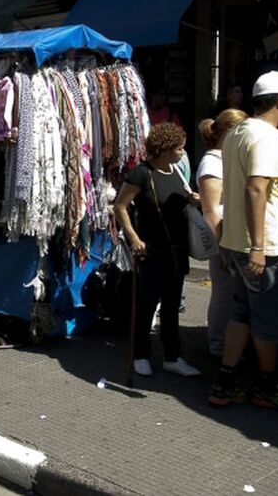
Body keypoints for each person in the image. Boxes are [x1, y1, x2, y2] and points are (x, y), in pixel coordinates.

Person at [209, 71, 278, 412]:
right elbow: (256, 188)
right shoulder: (268, 137)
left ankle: (225, 380)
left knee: (242, 312)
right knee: (267, 320)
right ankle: (268, 386)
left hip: (239, 241)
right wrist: (259, 247)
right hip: (266, 248)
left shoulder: (238, 132)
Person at [113, 123, 200, 378]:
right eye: (179, 148)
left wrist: (192, 199)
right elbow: (120, 206)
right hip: (152, 251)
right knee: (147, 305)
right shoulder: (142, 173)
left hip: (177, 250)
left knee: (172, 306)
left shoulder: (177, 171)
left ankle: (172, 356)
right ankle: (141, 354)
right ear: (163, 149)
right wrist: (133, 238)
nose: (183, 153)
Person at [195, 108, 250, 357]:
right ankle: (217, 345)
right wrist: (224, 246)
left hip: (235, 236)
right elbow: (211, 209)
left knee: (234, 293)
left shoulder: (228, 159)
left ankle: (227, 342)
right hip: (224, 239)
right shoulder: (212, 163)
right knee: (225, 293)